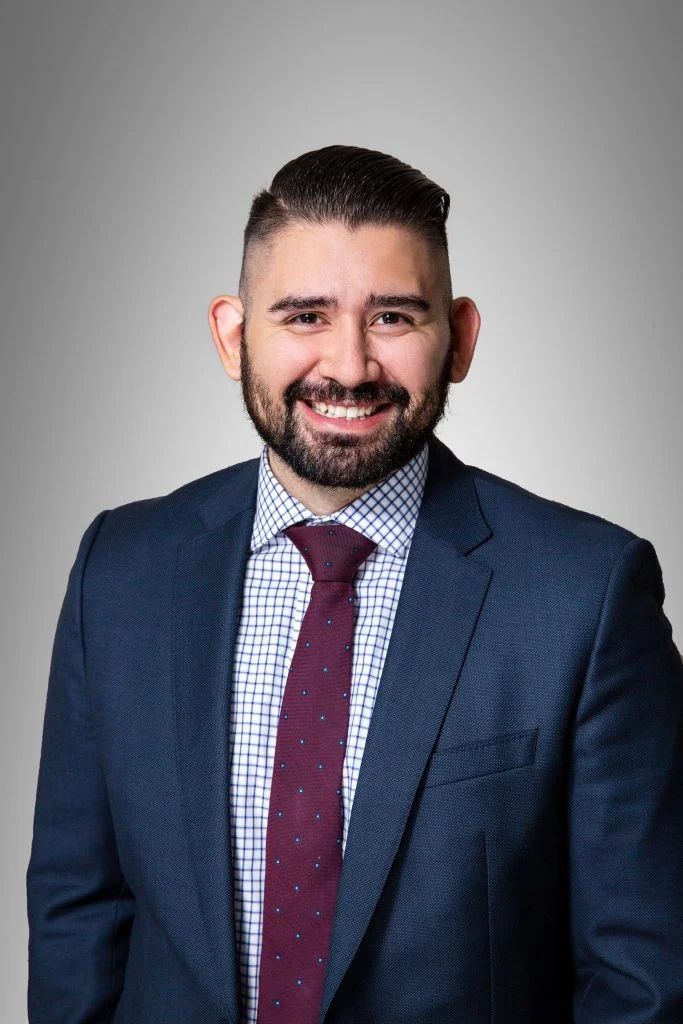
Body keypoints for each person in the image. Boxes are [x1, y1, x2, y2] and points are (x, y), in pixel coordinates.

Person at [26, 144, 683, 1024]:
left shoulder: (584, 594)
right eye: (304, 315)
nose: (348, 365)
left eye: (393, 317)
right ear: (232, 336)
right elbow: (77, 914)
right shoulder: (120, 570)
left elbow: (641, 977)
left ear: (459, 338)